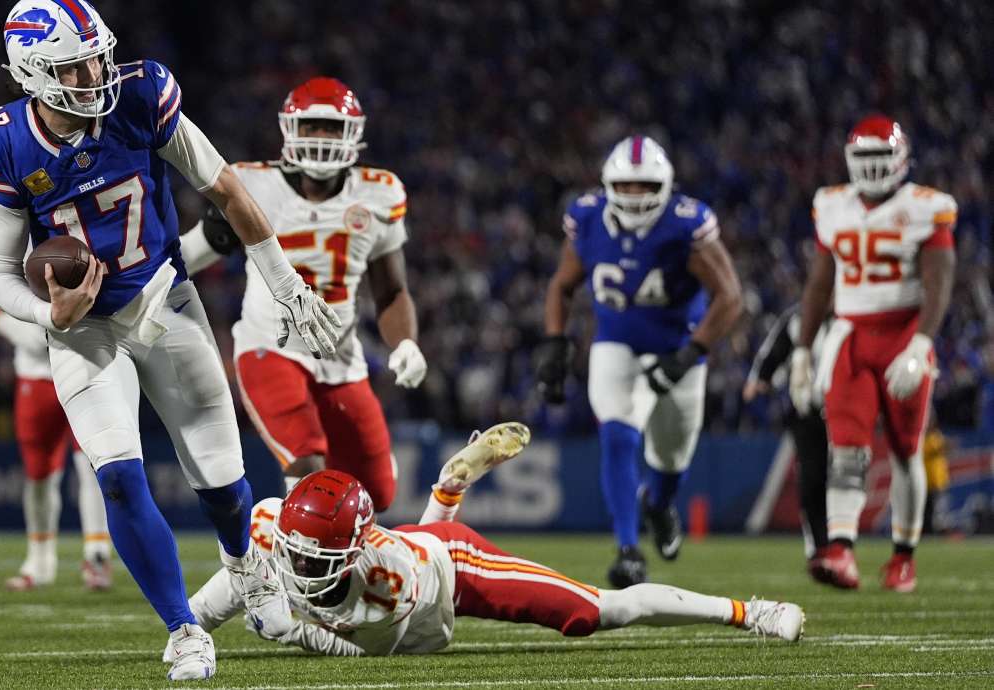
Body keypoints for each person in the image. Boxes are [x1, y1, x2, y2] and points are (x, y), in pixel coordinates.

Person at [0, 1, 340, 680]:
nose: (95, 72)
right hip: (84, 330)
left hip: (165, 302)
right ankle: (185, 628)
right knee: (115, 476)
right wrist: (50, 316)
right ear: (33, 73)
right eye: (75, 65)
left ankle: (245, 573)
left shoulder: (140, 96)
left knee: (222, 484)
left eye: (97, 54)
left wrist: (285, 285)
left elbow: (225, 187)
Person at [185, 429, 804, 658]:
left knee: (596, 611)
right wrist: (192, 626)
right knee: (223, 604)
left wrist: (286, 625)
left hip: (449, 570)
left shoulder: (384, 586)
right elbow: (242, 567)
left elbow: (378, 647)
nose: (296, 563)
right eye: (293, 551)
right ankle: (449, 487)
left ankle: (750, 612)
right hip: (411, 546)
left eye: (311, 558)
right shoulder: (274, 524)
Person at [180, 77, 425, 509]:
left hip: (340, 360)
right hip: (269, 347)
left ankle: (340, 565)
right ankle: (296, 567)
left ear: (354, 134)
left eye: (331, 128)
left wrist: (405, 342)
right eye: (312, 126)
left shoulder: (379, 192)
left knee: (378, 494)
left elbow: (391, 290)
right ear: (290, 129)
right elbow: (192, 252)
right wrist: (135, 277)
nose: (321, 138)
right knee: (306, 460)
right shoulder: (251, 184)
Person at [536, 136, 743, 587]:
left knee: (671, 458)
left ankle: (659, 504)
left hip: (678, 348)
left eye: (645, 186)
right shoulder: (587, 217)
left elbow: (731, 297)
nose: (634, 196)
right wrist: (555, 343)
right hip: (617, 343)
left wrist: (691, 354)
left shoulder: (685, 224)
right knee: (616, 430)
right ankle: (628, 549)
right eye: (626, 186)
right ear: (609, 185)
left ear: (664, 186)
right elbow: (561, 285)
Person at [792, 114, 956, 593]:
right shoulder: (832, 204)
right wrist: (803, 348)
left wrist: (922, 343)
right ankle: (841, 550)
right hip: (852, 336)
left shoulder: (927, 206)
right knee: (846, 446)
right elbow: (820, 281)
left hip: (904, 334)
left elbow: (939, 282)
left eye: (880, 156)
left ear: (901, 158)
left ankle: (903, 557)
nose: (872, 167)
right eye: (863, 156)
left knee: (907, 451)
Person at [0, 293, 113, 592]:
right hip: (36, 377)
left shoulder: (88, 246)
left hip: (86, 369)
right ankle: (39, 563)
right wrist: (23, 331)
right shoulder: (16, 247)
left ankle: (97, 555)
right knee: (39, 476)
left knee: (93, 466)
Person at [743, 303, 832, 581]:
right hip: (805, 410)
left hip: (846, 410)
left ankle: (840, 545)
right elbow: (775, 348)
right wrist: (760, 378)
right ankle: (818, 547)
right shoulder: (797, 318)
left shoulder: (854, 314)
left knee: (842, 477)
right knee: (812, 478)